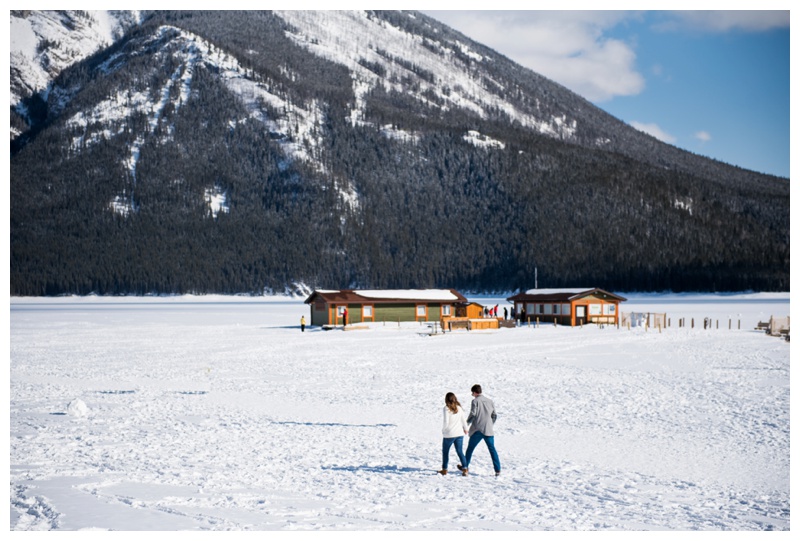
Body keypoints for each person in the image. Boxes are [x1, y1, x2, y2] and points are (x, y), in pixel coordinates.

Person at [458, 384, 501, 477]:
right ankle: (497, 470)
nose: (471, 394)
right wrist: (490, 424)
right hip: (488, 430)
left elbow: (473, 414)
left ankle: (465, 467)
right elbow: (494, 415)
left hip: (478, 430)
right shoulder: (490, 401)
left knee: (470, 449)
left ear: (474, 392)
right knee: (492, 450)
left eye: (472, 393)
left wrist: (466, 425)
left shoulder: (475, 401)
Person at [438, 392, 468, 475]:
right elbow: (463, 419)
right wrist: (466, 429)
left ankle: (444, 469)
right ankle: (465, 469)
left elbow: (446, 422)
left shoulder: (446, 408)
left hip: (449, 434)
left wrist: (443, 430)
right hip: (459, 433)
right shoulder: (459, 408)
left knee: (445, 452)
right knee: (460, 451)